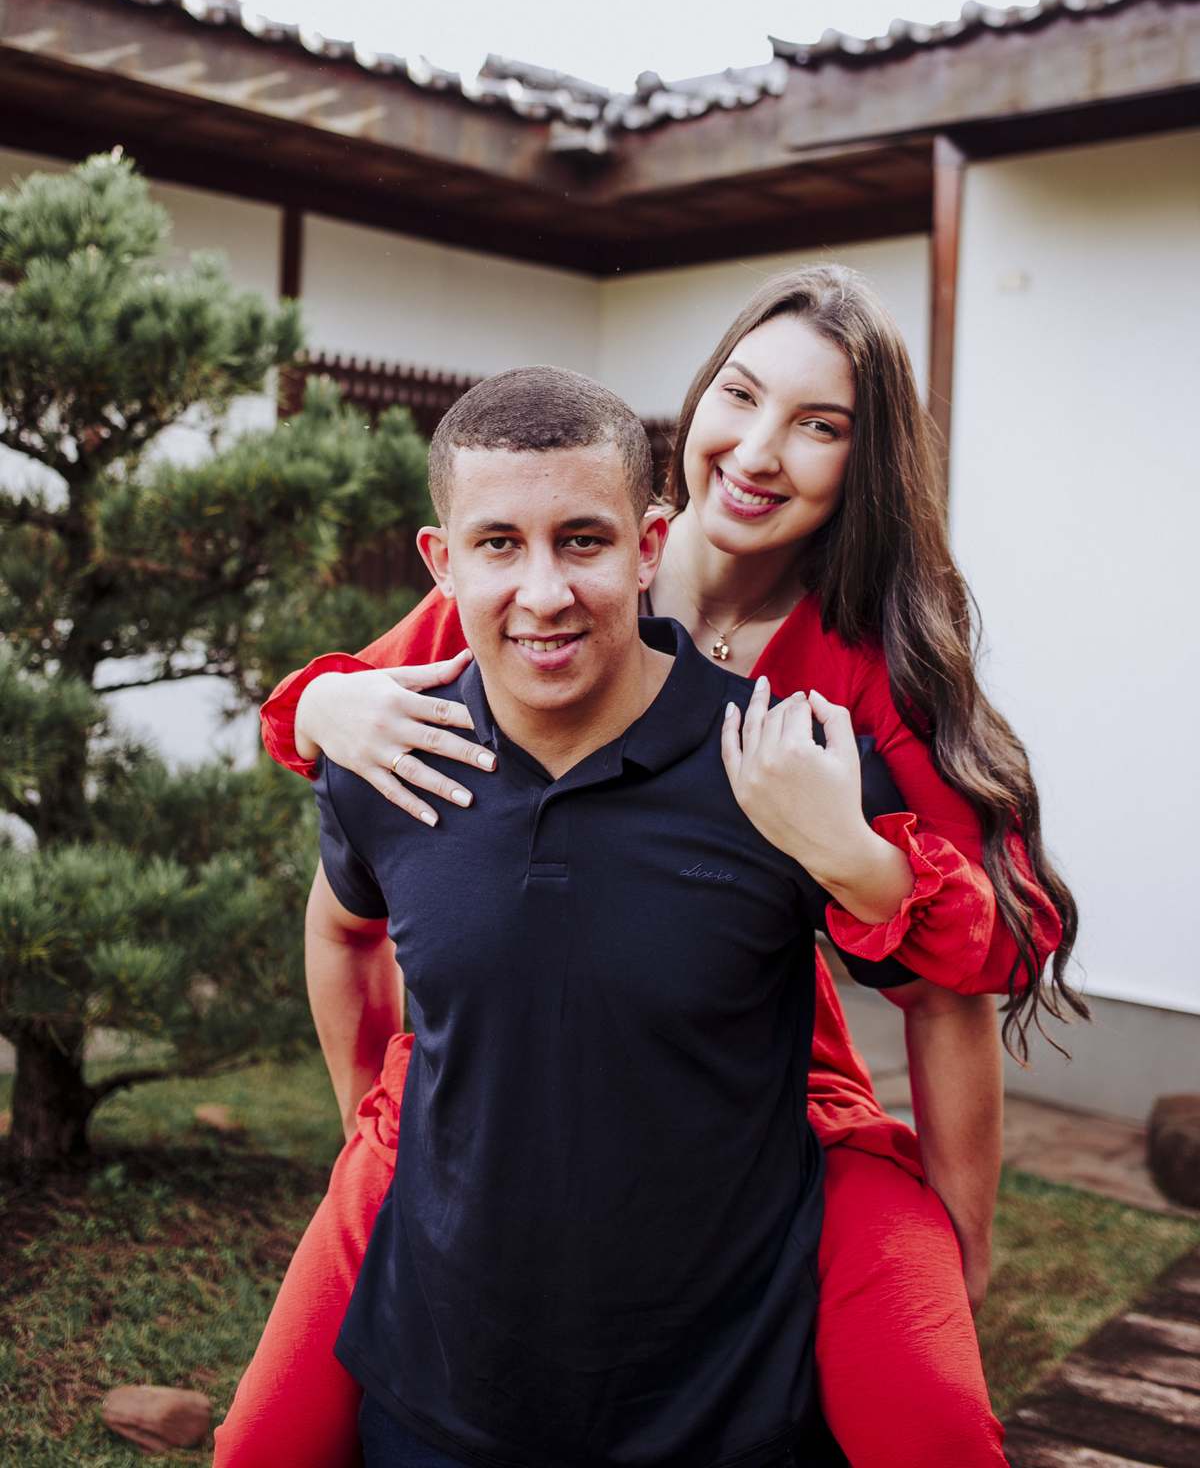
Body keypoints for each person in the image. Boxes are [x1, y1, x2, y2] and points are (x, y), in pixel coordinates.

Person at [220, 270, 1076, 1466]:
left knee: (928, 1415)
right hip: (482, 1068)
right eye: (742, 394)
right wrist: (320, 705)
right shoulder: (543, 584)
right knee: (267, 1438)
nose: (759, 450)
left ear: (865, 463)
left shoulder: (868, 672)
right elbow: (361, 758)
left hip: (770, 1074)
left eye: (820, 425)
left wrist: (852, 855)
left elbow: (971, 963)